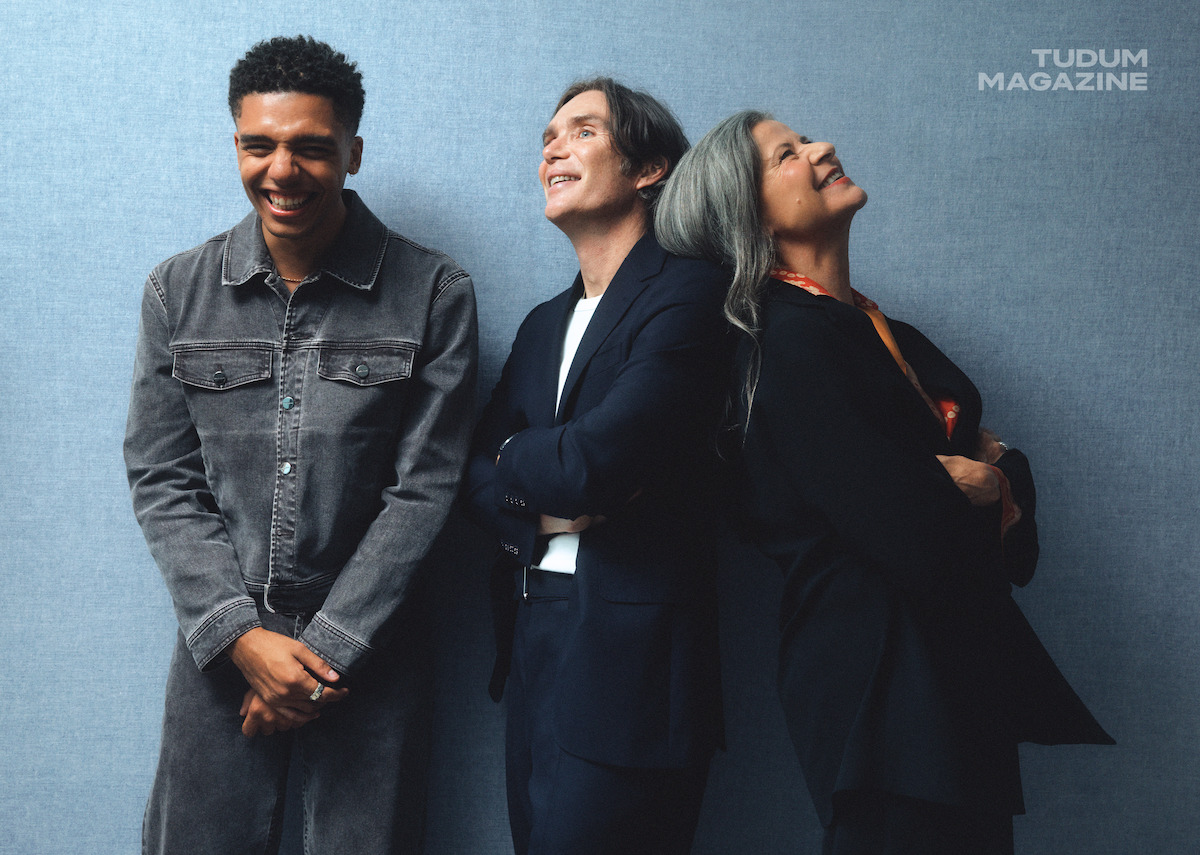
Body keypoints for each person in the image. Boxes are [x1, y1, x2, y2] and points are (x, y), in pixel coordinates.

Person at [655, 110, 1112, 854]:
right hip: (882, 687)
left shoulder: (880, 332)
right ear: (749, 214)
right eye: (787, 155)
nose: (821, 148)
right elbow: (913, 533)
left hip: (948, 679)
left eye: (805, 141)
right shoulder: (787, 343)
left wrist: (987, 484)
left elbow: (982, 482)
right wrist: (976, 482)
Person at [124, 35, 477, 854]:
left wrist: (321, 655)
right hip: (220, 643)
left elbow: (426, 487)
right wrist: (242, 638)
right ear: (237, 144)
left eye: (311, 147)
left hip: (372, 650)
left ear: (353, 151)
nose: (282, 170)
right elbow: (161, 475)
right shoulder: (174, 292)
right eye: (260, 145)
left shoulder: (434, 293)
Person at [463, 78, 728, 855]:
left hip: (636, 657)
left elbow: (589, 465)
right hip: (534, 626)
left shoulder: (689, 293)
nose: (553, 147)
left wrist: (519, 456)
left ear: (650, 168)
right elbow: (467, 472)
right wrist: (533, 495)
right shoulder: (546, 322)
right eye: (548, 136)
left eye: (583, 132)